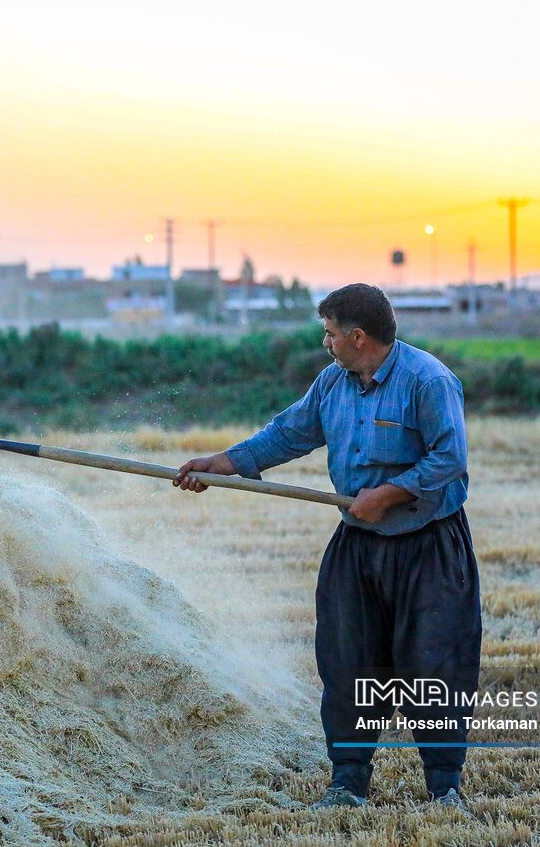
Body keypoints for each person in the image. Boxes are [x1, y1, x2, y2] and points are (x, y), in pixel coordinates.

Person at [174, 283, 481, 813]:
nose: (325, 342)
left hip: (429, 543)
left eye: (330, 333)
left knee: (433, 665)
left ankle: (444, 789)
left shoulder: (428, 381)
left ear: (357, 336)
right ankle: (347, 784)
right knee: (346, 662)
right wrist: (220, 465)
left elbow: (449, 458)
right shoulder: (332, 383)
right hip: (357, 545)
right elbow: (285, 436)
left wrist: (386, 494)